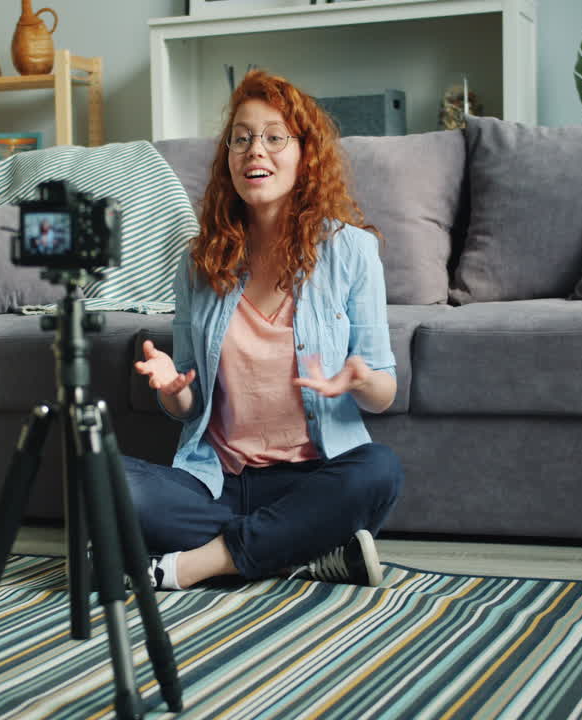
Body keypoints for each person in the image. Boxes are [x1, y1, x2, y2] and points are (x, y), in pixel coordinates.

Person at [125, 69, 403, 591]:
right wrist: (173, 391)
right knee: (105, 482)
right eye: (242, 138)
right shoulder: (199, 261)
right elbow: (190, 401)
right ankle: (300, 550)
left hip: (316, 479)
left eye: (275, 137)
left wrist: (360, 379)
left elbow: (384, 391)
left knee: (380, 471)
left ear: (305, 156)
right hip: (217, 483)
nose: (256, 150)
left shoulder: (352, 251)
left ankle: (195, 564)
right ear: (228, 156)